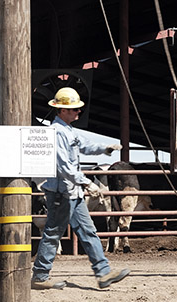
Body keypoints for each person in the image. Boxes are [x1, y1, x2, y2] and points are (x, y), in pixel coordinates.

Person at [31, 87, 130, 290]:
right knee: (54, 232)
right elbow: (64, 166)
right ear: (63, 110)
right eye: (74, 109)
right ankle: (40, 275)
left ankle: (103, 273)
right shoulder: (58, 133)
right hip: (62, 192)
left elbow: (83, 145)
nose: (78, 112)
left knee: (87, 231)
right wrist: (87, 182)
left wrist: (104, 148)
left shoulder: (67, 130)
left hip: (70, 192)